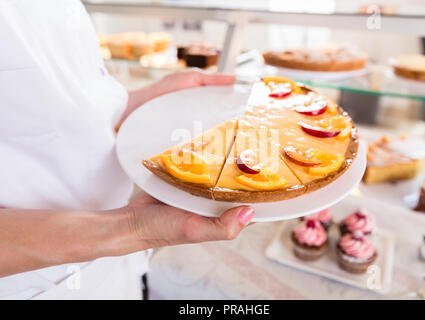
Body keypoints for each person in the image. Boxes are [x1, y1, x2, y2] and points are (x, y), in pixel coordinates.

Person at [0, 0, 255, 299]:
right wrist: (134, 227)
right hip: (32, 284)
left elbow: (46, 115)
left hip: (113, 261)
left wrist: (143, 100)